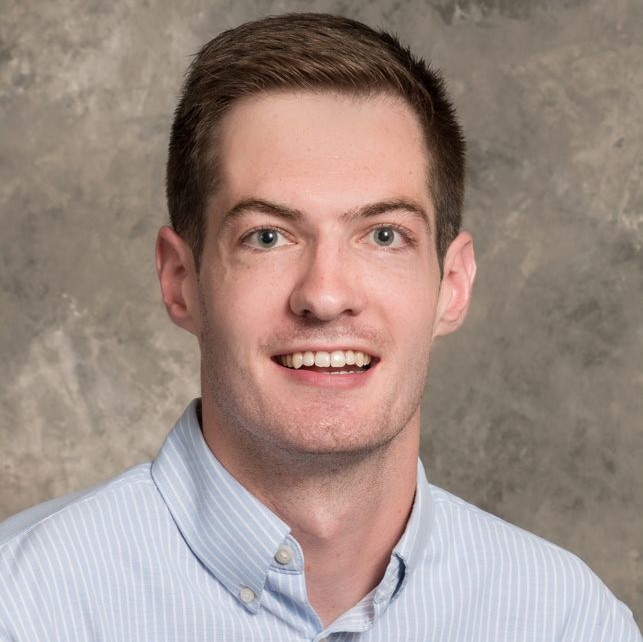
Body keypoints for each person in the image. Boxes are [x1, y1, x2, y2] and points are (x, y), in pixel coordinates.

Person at [0, 12, 640, 642]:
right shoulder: (24, 605)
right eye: (268, 236)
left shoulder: (565, 620)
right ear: (179, 280)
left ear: (452, 284)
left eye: (384, 235)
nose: (325, 295)